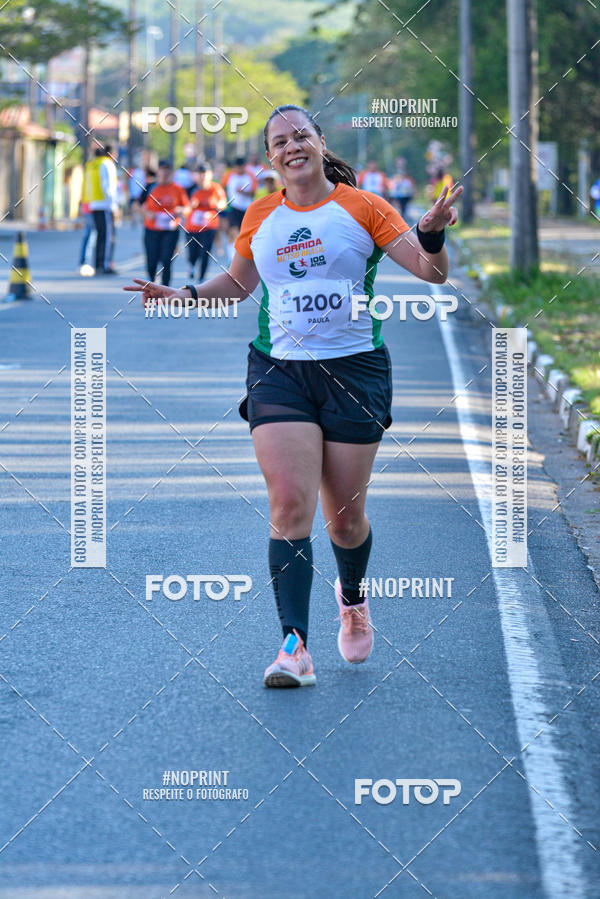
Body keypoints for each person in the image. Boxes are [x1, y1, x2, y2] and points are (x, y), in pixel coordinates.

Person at [124, 104, 462, 688]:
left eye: (300, 135)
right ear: (270, 157)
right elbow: (236, 283)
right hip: (278, 371)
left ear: (319, 142)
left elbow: (431, 273)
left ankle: (352, 596)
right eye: (279, 142)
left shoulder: (364, 207)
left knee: (345, 520)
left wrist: (430, 236)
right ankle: (294, 647)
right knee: (287, 506)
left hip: (354, 373)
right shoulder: (260, 214)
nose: (291, 147)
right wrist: (181, 293)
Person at [140, 159, 189, 286]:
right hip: (152, 229)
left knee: (167, 259)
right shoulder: (150, 187)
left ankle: (166, 288)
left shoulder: (178, 189)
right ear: (158, 172)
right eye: (162, 170)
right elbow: (136, 204)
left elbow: (187, 208)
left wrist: (180, 210)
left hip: (170, 230)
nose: (165, 173)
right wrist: (146, 213)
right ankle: (153, 282)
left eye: (168, 170)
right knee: (152, 260)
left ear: (171, 173)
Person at [184, 164, 227, 280]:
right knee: (193, 252)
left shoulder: (216, 188)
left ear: (210, 175)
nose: (203, 176)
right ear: (196, 176)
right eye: (200, 174)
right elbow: (184, 206)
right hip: (192, 226)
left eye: (205, 173)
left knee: (205, 251)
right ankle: (192, 265)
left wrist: (218, 205)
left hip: (209, 225)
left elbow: (223, 203)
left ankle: (202, 276)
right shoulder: (191, 189)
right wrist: (189, 206)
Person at [85, 144, 119, 275]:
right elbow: (108, 186)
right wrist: (114, 206)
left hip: (94, 203)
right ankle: (105, 264)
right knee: (107, 236)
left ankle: (98, 263)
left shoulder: (93, 164)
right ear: (111, 153)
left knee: (100, 235)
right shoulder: (107, 164)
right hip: (105, 205)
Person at [222, 157, 257, 260]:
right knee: (232, 232)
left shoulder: (250, 176)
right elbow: (222, 186)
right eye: (238, 167)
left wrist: (243, 192)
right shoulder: (230, 175)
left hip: (247, 208)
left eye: (242, 167)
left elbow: (254, 192)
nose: (240, 169)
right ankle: (231, 257)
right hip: (234, 207)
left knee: (247, 234)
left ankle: (247, 256)